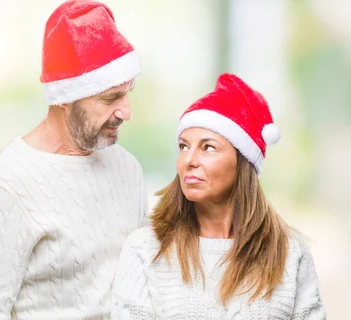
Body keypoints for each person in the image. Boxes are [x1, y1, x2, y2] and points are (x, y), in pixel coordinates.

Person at [0, 1, 148, 318]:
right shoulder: (5, 186)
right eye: (110, 98)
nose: (125, 111)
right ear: (65, 97)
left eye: (127, 93)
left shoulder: (128, 168)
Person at [110, 73, 325, 319]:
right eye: (183, 146)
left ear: (243, 161)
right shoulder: (146, 248)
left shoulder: (289, 254)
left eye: (208, 147)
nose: (189, 160)